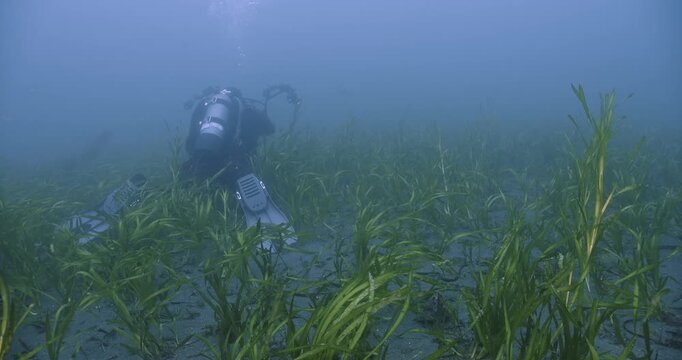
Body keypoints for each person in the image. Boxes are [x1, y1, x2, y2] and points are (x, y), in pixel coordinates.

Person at [66, 85, 300, 252]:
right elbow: (269, 129)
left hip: (198, 161)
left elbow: (191, 143)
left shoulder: (204, 106)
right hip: (231, 163)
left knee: (170, 189)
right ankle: (255, 205)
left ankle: (132, 193)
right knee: (243, 179)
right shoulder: (243, 108)